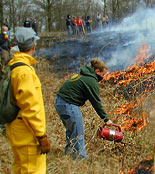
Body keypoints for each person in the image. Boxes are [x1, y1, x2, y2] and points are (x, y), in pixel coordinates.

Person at [6, 27, 50, 173]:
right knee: (33, 170)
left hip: (16, 128)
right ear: (33, 46)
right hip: (27, 132)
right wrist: (41, 135)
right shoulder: (24, 72)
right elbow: (30, 107)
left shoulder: (13, 65)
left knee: (20, 168)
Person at [54, 59, 113, 160]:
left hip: (59, 103)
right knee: (78, 132)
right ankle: (80, 158)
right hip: (68, 104)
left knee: (71, 129)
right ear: (97, 71)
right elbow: (96, 102)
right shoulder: (91, 81)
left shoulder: (83, 75)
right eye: (103, 74)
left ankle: (68, 154)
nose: (103, 77)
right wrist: (106, 118)